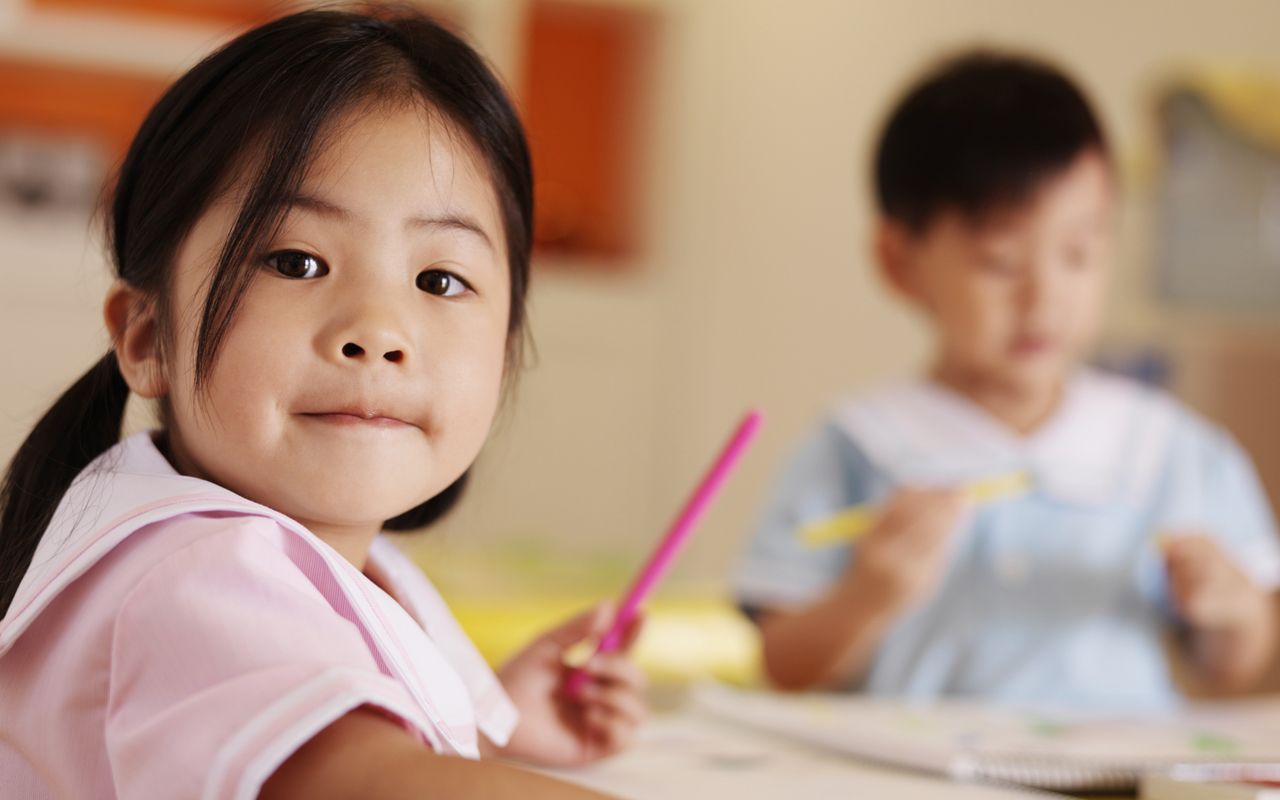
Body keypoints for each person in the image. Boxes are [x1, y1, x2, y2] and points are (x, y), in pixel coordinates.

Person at [0, 7, 644, 798]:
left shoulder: (352, 569)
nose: (376, 331)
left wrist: (486, 722)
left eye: (441, 280)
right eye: (297, 261)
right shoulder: (197, 574)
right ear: (146, 338)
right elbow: (366, 783)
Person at [734, 51, 1280, 711]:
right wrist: (868, 596)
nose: (1044, 298)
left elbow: (1235, 669)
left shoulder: (1167, 448)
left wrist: (1232, 611)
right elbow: (783, 666)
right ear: (898, 261)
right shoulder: (858, 444)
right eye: (999, 262)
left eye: (1079, 253)